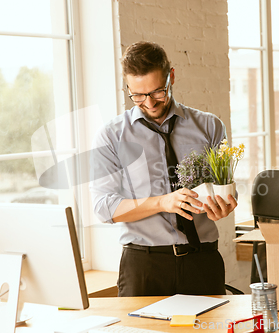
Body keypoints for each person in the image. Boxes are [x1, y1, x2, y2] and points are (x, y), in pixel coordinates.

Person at [90, 41, 237, 297]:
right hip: (144, 266)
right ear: (128, 88)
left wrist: (222, 206)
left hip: (202, 260)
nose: (149, 103)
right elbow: (104, 207)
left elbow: (222, 188)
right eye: (137, 95)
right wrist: (162, 203)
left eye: (157, 92)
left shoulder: (210, 127)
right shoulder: (111, 136)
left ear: (171, 76)